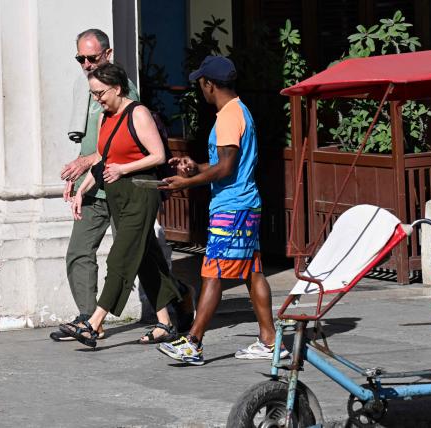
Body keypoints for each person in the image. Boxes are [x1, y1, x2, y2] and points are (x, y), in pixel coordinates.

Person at [50, 29, 191, 344]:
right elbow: (101, 156)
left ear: (116, 85)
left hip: (138, 193)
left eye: (100, 93)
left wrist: (121, 167)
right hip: (109, 191)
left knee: (122, 257)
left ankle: (95, 321)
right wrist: (81, 186)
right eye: (80, 59)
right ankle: (167, 318)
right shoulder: (103, 113)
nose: (96, 99)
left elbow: (154, 155)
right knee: (135, 256)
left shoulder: (134, 108)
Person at [157, 56, 288, 365]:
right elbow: (227, 164)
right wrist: (194, 168)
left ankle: (194, 342)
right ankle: (269, 339)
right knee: (252, 272)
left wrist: (186, 184)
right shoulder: (239, 111)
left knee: (213, 272)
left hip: (232, 209)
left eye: (200, 83)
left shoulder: (229, 116)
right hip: (245, 205)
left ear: (209, 84)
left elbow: (227, 167)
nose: (200, 89)